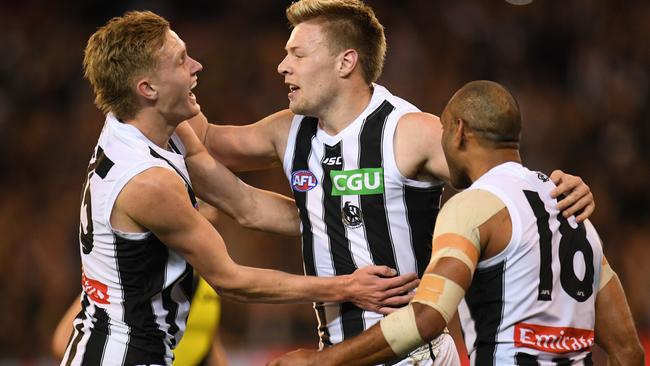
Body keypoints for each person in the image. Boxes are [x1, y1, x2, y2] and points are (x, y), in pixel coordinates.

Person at [180, 0, 595, 364]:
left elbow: (500, 177)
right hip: (336, 351)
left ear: (345, 62)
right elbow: (206, 141)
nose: (281, 65)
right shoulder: (289, 131)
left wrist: (559, 186)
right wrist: (174, 81)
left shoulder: (410, 131)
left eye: (298, 53)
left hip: (411, 354)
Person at [62, 10, 420, 365]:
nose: (197, 66)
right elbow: (231, 280)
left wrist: (358, 216)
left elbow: (244, 204)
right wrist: (348, 287)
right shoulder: (149, 182)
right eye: (181, 60)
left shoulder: (144, 125)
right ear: (148, 89)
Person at [267, 80, 645, 366]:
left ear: (460, 131)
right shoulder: (573, 214)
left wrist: (321, 360)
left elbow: (427, 318)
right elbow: (627, 351)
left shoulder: (473, 208)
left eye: (444, 130)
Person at [52, 203, 228, 365]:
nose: (214, 211)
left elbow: (209, 341)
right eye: (201, 202)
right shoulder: (134, 273)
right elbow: (62, 341)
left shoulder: (208, 278)